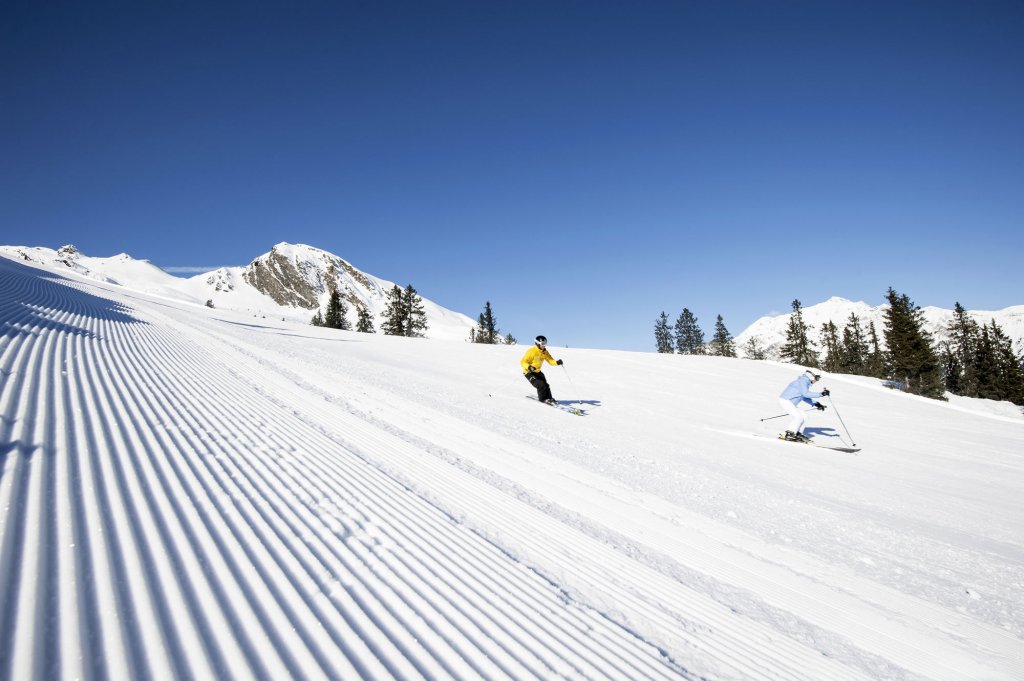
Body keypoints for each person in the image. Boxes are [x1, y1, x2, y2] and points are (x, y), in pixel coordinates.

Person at [778, 368, 830, 442]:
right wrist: (821, 394)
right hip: (785, 400)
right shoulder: (802, 382)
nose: (817, 380)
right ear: (811, 375)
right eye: (817, 378)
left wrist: (816, 404)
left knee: (805, 416)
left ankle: (798, 433)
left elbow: (804, 397)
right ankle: (789, 434)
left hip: (790, 402)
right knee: (798, 417)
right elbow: (806, 394)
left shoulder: (805, 382)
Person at [521, 335, 563, 404]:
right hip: (529, 372)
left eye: (545, 343)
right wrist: (529, 367)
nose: (544, 345)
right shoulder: (531, 351)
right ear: (537, 343)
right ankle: (543, 399)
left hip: (537, 371)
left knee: (546, 385)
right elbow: (523, 362)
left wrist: (557, 362)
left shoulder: (544, 352)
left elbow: (550, 361)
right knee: (541, 385)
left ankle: (549, 398)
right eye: (542, 344)